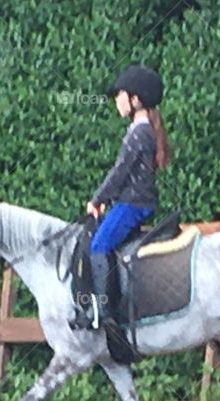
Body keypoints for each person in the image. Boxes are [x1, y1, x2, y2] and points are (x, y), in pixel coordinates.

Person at [74, 64, 171, 330]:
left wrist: (97, 199)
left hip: (132, 204)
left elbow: (119, 172)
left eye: (120, 95)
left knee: (100, 245)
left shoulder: (138, 133)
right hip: (132, 201)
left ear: (136, 100)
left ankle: (101, 311)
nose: (116, 101)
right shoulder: (142, 131)